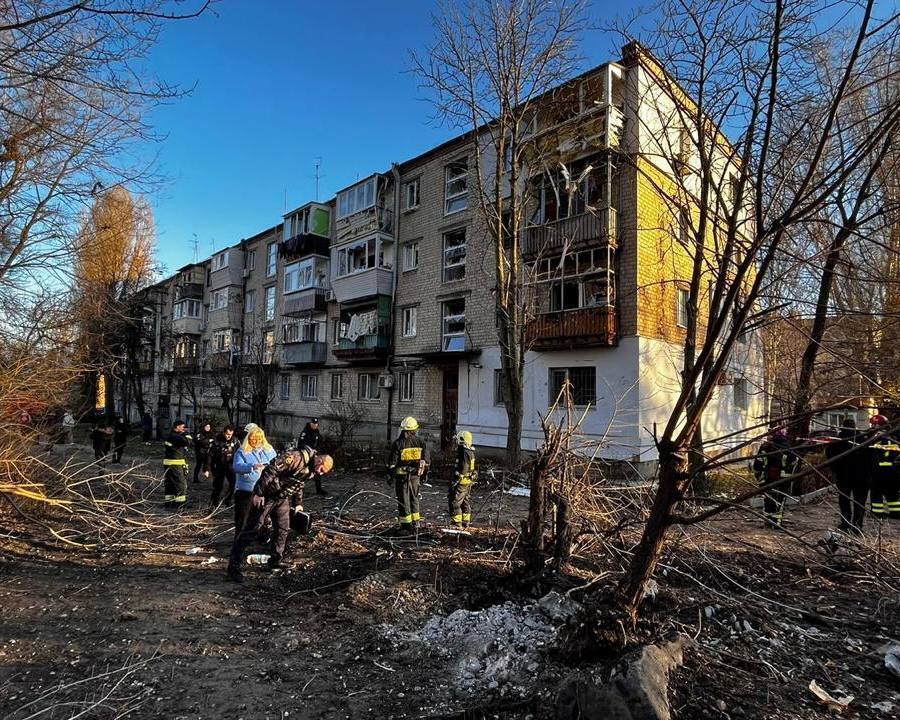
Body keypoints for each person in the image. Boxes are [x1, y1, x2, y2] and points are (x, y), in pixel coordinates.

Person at [226, 448, 334, 582]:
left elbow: (299, 483)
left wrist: (298, 503)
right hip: (267, 495)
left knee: (283, 529)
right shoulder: (294, 457)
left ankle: (275, 560)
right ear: (319, 460)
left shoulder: (310, 469)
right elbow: (270, 470)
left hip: (282, 498)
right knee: (253, 529)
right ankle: (233, 567)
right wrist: (259, 493)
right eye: (321, 470)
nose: (320, 473)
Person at [231, 423, 277, 539]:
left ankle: (262, 539)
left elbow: (276, 466)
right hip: (245, 491)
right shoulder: (242, 451)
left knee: (262, 518)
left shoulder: (268, 450)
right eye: (252, 439)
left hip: (263, 491)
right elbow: (237, 466)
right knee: (243, 519)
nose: (255, 442)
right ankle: (239, 541)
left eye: (258, 439)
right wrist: (251, 466)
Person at [825, 418, 867, 535]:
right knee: (860, 502)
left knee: (844, 499)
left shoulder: (837, 440)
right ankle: (857, 526)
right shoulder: (863, 439)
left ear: (843, 426)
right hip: (861, 478)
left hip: (843, 476)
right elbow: (871, 457)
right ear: (854, 426)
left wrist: (835, 470)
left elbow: (829, 455)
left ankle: (845, 523)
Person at [752, 427, 799, 528]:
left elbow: (758, 463)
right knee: (780, 501)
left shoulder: (765, 447)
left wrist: (758, 476)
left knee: (768, 500)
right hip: (783, 480)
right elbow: (794, 463)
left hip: (768, 478)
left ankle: (768, 522)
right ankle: (777, 523)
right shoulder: (788, 448)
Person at [388, 417, 430, 532]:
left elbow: (392, 463)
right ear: (414, 430)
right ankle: (416, 523)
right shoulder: (421, 442)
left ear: (403, 430)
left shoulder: (398, 443)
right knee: (414, 498)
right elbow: (426, 461)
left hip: (402, 478)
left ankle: (406, 525)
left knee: (403, 500)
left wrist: (390, 476)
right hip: (415, 477)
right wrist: (425, 474)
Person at [867, 414, 900, 520]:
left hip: (879, 472)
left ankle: (877, 514)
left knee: (876, 494)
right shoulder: (893, 437)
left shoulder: (875, 439)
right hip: (894, 472)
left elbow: (870, 456)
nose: (871, 427)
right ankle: (895, 513)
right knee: (892, 493)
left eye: (873, 425)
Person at [163, 419, 194, 509]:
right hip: (175, 463)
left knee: (170, 483)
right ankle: (181, 503)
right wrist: (187, 434)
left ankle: (170, 502)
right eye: (183, 427)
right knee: (180, 483)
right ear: (177, 427)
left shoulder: (171, 435)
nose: (184, 429)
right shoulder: (175, 436)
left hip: (170, 463)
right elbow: (188, 442)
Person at [449, 430, 477, 528]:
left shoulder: (463, 452)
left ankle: (457, 523)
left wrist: (457, 478)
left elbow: (464, 467)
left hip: (462, 481)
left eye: (457, 439)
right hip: (468, 481)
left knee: (455, 502)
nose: (456, 442)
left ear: (462, 440)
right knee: (465, 501)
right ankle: (466, 522)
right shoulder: (470, 451)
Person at [210, 424, 240, 507]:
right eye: (227, 434)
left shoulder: (235, 441)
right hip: (219, 465)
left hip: (230, 465)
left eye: (230, 434)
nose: (228, 436)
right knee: (218, 486)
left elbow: (239, 453)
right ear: (224, 433)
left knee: (233, 484)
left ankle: (228, 500)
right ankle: (213, 503)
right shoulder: (217, 440)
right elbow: (211, 454)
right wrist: (209, 467)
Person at [297, 417, 326, 495]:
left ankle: (319, 489)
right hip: (306, 455)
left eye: (316, 424)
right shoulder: (305, 432)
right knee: (305, 472)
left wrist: (317, 450)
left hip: (315, 455)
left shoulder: (316, 432)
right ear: (310, 423)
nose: (315, 425)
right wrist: (309, 450)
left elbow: (319, 442)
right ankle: (299, 489)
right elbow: (301, 444)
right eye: (313, 424)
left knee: (317, 472)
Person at [193, 420, 215, 484]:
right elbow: (199, 441)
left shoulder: (211, 433)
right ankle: (195, 478)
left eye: (209, 427)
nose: (208, 428)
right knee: (198, 465)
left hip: (208, 452)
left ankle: (208, 474)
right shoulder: (199, 434)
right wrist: (209, 441)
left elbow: (214, 440)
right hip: (200, 452)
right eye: (206, 427)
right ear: (203, 427)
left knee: (209, 463)